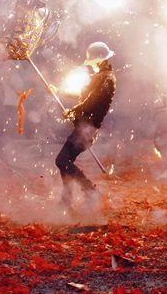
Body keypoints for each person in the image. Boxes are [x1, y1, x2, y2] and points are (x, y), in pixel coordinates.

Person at [55, 41, 116, 208]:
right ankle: (66, 200)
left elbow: (92, 101)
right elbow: (84, 97)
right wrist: (58, 92)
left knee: (62, 160)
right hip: (84, 125)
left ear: (99, 60)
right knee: (64, 161)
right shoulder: (100, 77)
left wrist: (73, 110)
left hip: (88, 128)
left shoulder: (106, 79)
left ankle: (90, 191)